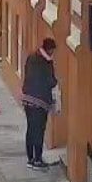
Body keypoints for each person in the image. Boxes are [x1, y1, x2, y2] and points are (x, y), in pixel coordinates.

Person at [22, 38, 58, 171]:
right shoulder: (46, 62)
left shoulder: (31, 57)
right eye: (53, 50)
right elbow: (51, 81)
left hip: (27, 99)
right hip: (40, 101)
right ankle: (37, 160)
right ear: (50, 49)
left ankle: (30, 158)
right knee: (39, 130)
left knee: (30, 128)